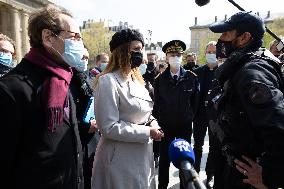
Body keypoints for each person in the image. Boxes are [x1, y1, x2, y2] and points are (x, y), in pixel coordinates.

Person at [0, 5, 87, 189]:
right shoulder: (11, 88)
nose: (80, 43)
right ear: (48, 37)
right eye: (74, 37)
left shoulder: (63, 80)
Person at [209, 11, 284, 189]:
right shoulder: (240, 67)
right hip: (233, 170)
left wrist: (268, 177)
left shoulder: (252, 73)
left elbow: (279, 127)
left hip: (247, 180)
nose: (221, 39)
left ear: (244, 38)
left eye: (227, 33)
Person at [91, 28, 164, 189]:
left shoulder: (138, 81)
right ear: (122, 52)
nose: (140, 54)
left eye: (141, 49)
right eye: (136, 49)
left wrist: (153, 124)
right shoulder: (107, 81)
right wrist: (147, 132)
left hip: (143, 155)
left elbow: (146, 113)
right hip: (119, 160)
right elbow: (108, 127)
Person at [153, 39, 199, 189]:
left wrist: (189, 116)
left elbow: (195, 102)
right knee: (165, 158)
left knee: (184, 159)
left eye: (178, 54)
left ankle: (184, 186)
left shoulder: (191, 77)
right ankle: (162, 185)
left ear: (182, 56)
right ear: (166, 57)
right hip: (166, 125)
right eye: (172, 54)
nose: (175, 57)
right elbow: (157, 104)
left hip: (184, 126)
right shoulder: (159, 80)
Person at [192, 41, 218, 189]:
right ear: (205, 53)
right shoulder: (198, 72)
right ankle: (194, 174)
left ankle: (210, 175)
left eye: (214, 52)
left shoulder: (223, 71)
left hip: (216, 116)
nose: (211, 54)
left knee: (214, 146)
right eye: (209, 52)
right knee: (198, 146)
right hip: (199, 115)